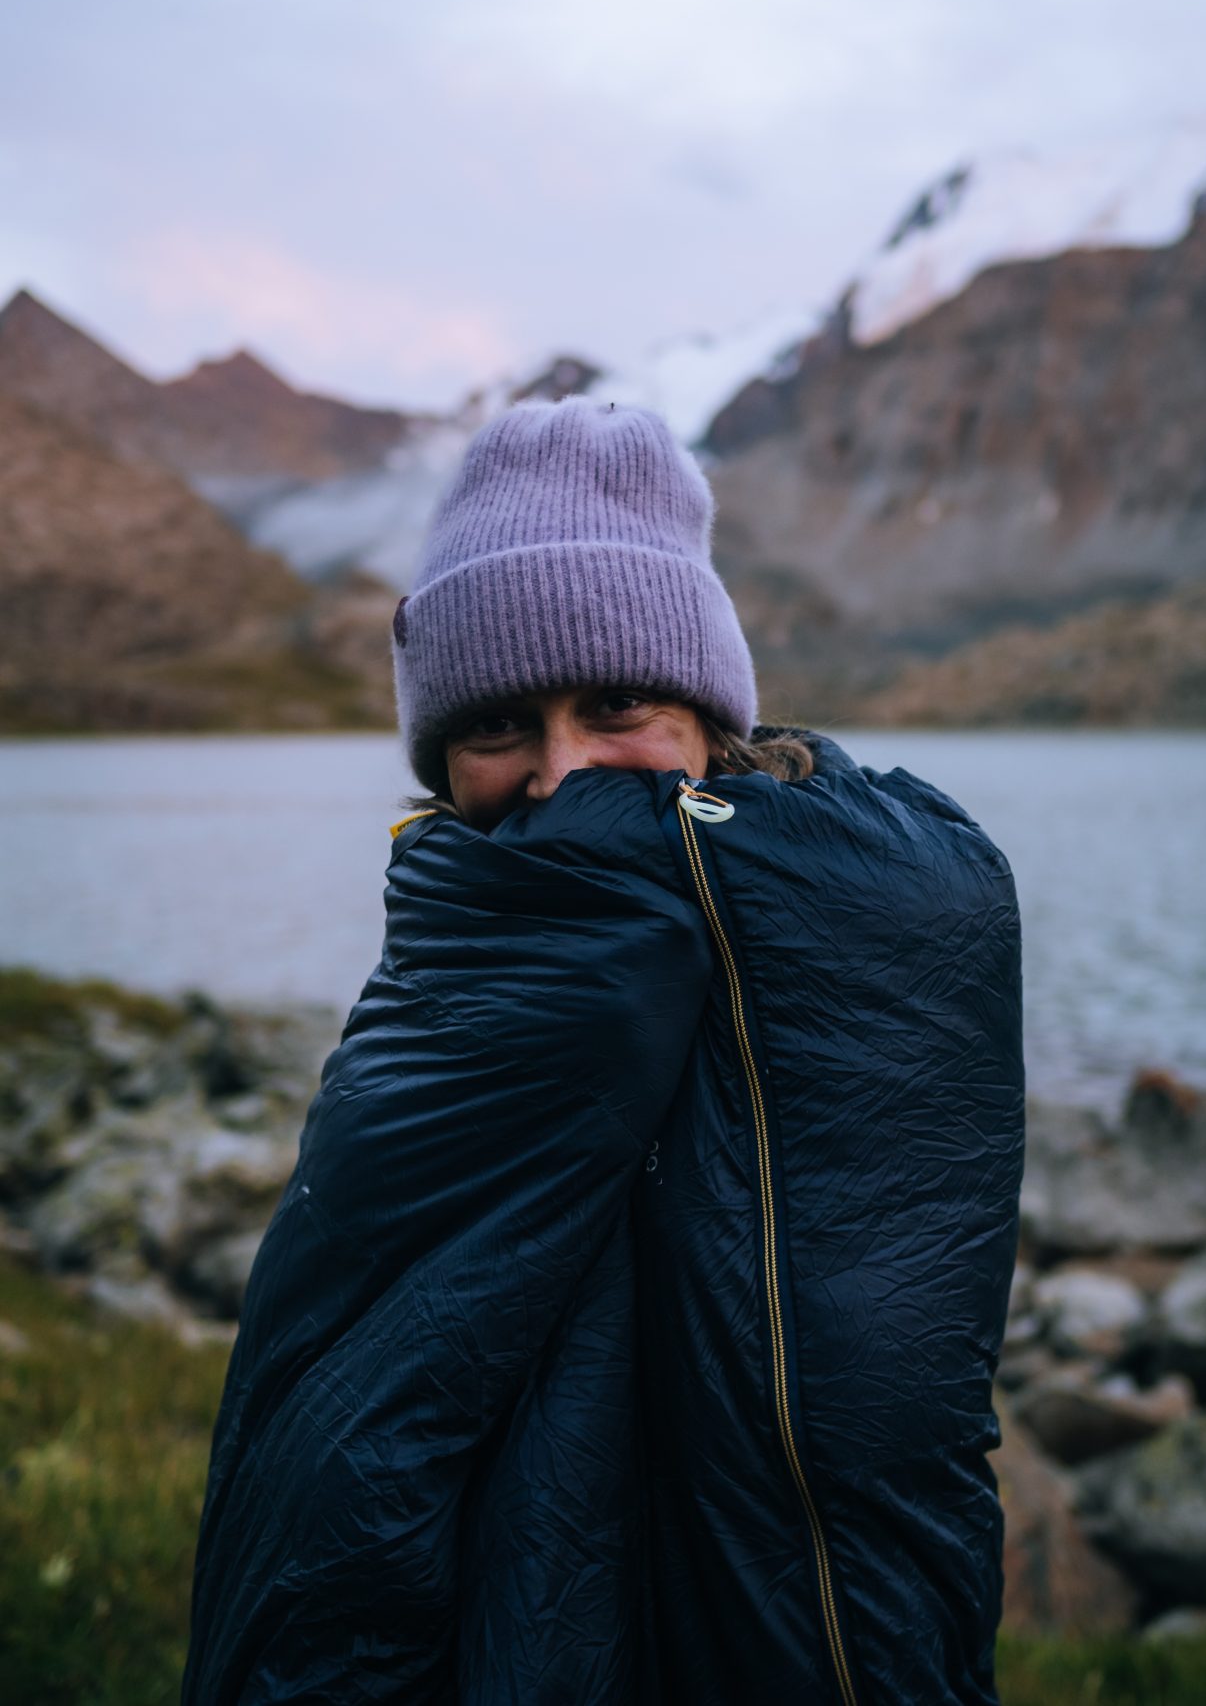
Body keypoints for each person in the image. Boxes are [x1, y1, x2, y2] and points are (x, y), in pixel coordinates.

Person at [182, 397, 1024, 1705]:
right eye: (498, 724)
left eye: (615, 702)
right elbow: (331, 1466)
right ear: (438, 755)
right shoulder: (435, 1000)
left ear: (707, 721)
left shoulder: (866, 929)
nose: (564, 774)